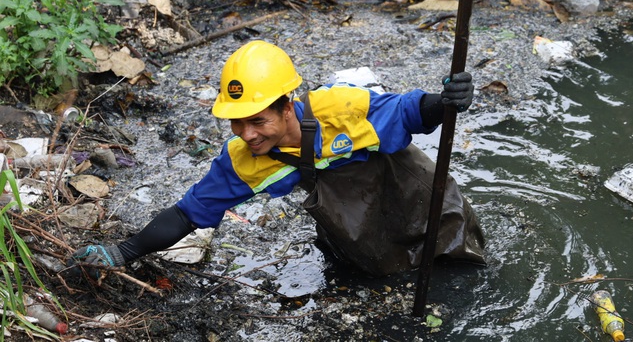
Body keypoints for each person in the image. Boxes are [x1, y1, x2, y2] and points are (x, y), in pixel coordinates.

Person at [71, 40, 486, 278]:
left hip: (417, 195)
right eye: (236, 123)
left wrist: (445, 100)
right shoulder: (244, 161)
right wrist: (122, 252)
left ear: (286, 107)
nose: (247, 134)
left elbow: (411, 110)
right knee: (370, 272)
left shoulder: (341, 108)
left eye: (257, 121)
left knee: (456, 265)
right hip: (356, 221)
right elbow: (186, 215)